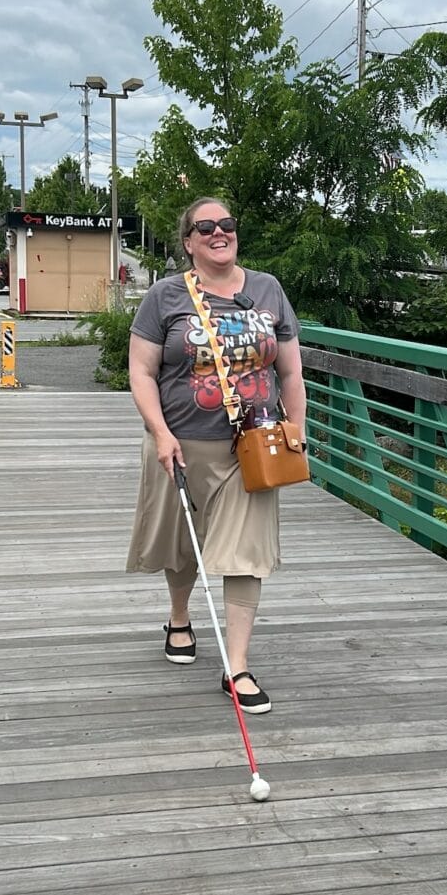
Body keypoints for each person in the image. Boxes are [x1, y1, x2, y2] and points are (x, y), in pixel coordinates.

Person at [126, 197, 307, 714]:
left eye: (226, 223)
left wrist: (295, 431)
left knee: (245, 551)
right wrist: (160, 433)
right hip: (180, 442)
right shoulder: (164, 297)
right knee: (182, 544)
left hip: (253, 448)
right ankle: (179, 618)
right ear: (188, 242)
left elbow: (291, 372)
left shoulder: (268, 289)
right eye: (205, 227)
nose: (218, 232)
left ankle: (238, 666)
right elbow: (141, 371)